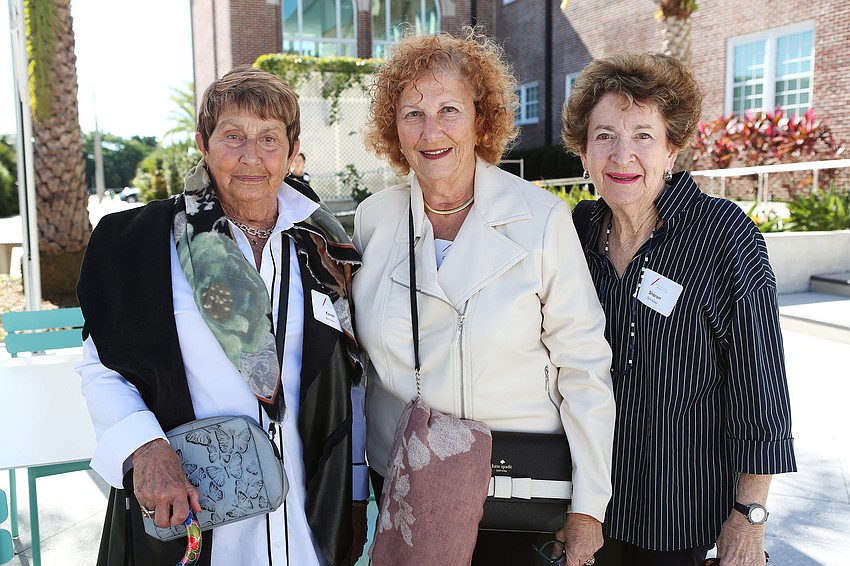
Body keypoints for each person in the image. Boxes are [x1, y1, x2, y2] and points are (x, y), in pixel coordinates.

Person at [76, 66, 368, 566]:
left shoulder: (325, 246)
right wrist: (144, 449)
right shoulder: (141, 242)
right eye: (233, 136)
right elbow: (101, 365)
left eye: (269, 138)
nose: (251, 156)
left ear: (292, 148)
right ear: (203, 144)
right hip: (191, 507)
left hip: (305, 516)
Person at [352, 28, 616, 566]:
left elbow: (584, 366)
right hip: (408, 488)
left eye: (450, 108)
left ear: (481, 117)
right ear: (393, 128)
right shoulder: (373, 219)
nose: (432, 131)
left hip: (518, 488)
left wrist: (589, 507)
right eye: (412, 113)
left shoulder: (542, 219)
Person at [561, 52, 797, 566]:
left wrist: (749, 516)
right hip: (584, 512)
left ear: (672, 149)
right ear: (583, 152)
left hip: (677, 513)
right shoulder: (571, 235)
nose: (623, 154)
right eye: (604, 135)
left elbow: (761, 386)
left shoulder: (723, 235)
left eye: (643, 135)